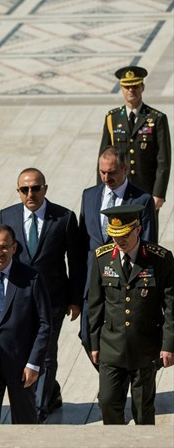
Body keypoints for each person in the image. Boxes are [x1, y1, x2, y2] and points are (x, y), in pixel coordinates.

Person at [0, 168, 84, 422]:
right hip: (19, 299)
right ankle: (51, 391)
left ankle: (38, 407)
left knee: (46, 352)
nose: (30, 194)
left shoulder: (64, 218)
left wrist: (75, 299)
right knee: (24, 350)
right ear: (18, 191)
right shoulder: (7, 216)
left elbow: (76, 261)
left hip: (53, 298)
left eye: (35, 188)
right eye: (24, 189)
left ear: (45, 189)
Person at [87, 205, 173, 425]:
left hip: (145, 347)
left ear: (138, 229)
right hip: (111, 347)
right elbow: (95, 305)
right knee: (107, 402)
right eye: (115, 235)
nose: (119, 240)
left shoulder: (160, 258)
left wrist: (168, 345)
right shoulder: (101, 258)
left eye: (125, 235)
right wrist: (93, 344)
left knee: (143, 410)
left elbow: (171, 306)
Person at [78, 146, 157, 360]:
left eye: (111, 172)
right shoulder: (89, 196)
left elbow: (148, 243)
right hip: (93, 283)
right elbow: (82, 244)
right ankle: (109, 373)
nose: (106, 178)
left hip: (124, 283)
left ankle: (113, 377)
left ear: (125, 169)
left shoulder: (142, 200)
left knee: (124, 340)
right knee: (87, 337)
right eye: (102, 172)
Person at [0, 224, 51, 424]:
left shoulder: (31, 278)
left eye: (4, 247)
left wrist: (34, 363)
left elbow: (44, 325)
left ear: (14, 248)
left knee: (25, 423)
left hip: (21, 366)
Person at [98, 66, 170, 212]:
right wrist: (100, 190)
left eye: (135, 86)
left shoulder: (156, 118)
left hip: (145, 190)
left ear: (142, 87)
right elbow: (103, 157)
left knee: (146, 226)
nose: (131, 90)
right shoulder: (112, 118)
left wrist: (159, 193)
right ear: (121, 89)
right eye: (127, 87)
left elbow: (163, 160)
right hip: (118, 188)